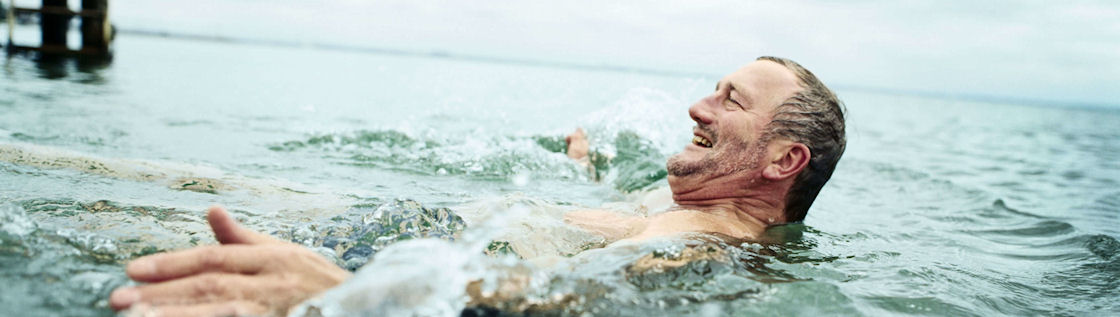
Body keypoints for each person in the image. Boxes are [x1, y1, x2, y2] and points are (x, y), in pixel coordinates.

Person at [109, 56, 846, 316]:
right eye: (712, 89)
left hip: (386, 267)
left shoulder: (708, 249)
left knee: (118, 256)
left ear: (784, 161)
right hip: (410, 237)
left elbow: (571, 300)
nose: (699, 107)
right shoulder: (685, 203)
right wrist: (585, 168)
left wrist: (333, 293)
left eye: (730, 101)